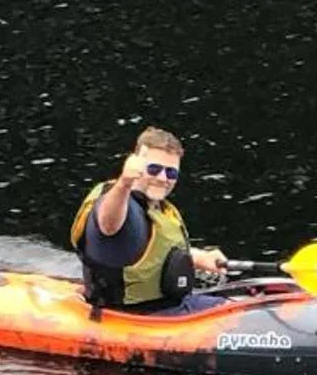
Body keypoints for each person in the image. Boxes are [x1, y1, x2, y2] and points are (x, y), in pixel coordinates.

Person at [69, 126, 228, 313]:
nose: (163, 178)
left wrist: (200, 257)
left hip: (171, 306)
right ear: (136, 166)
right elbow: (108, 226)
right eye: (153, 169)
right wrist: (124, 182)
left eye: (171, 173)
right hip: (136, 317)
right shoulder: (122, 205)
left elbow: (157, 252)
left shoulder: (156, 206)